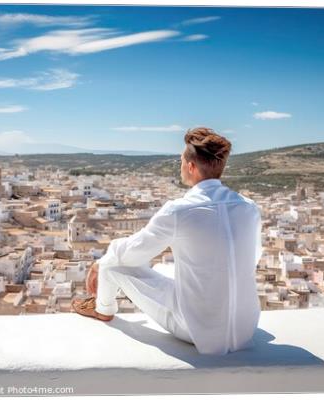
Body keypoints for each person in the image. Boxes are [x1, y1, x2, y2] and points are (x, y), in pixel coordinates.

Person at [71, 127, 262, 356]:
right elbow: (252, 258)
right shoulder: (249, 207)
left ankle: (103, 308)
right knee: (163, 267)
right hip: (245, 328)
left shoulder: (179, 210)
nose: (180, 165)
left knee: (112, 264)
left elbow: (133, 252)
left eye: (181, 160)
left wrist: (100, 262)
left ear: (191, 166)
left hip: (198, 330)